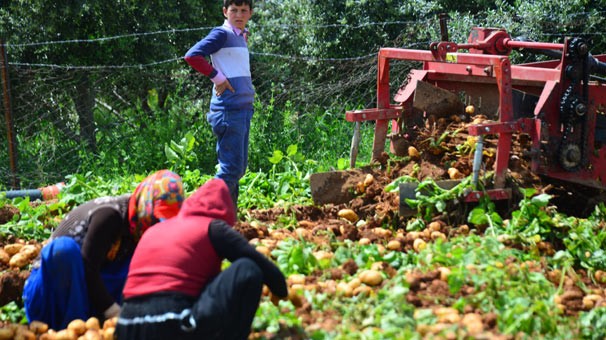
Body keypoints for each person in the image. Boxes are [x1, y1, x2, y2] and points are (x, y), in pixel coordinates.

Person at [116, 178, 287, 340]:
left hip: (127, 326)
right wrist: (282, 293)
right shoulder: (213, 226)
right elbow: (264, 267)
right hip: (173, 322)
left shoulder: (154, 231)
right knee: (247, 269)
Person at [22, 170, 184, 330]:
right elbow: (88, 267)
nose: (157, 226)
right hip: (50, 292)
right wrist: (113, 311)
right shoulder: (110, 216)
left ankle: (102, 323)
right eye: (155, 218)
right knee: (64, 250)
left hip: (87, 292)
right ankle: (73, 326)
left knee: (137, 264)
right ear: (145, 203)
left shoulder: (138, 228)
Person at [184, 0, 254, 208]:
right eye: (234, 10)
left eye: (243, 11)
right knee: (231, 169)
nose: (239, 15)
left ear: (250, 13)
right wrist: (218, 77)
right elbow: (192, 55)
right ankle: (199, 208)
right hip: (228, 110)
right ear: (225, 11)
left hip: (242, 110)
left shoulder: (240, 36)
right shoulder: (221, 34)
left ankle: (228, 217)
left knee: (237, 169)